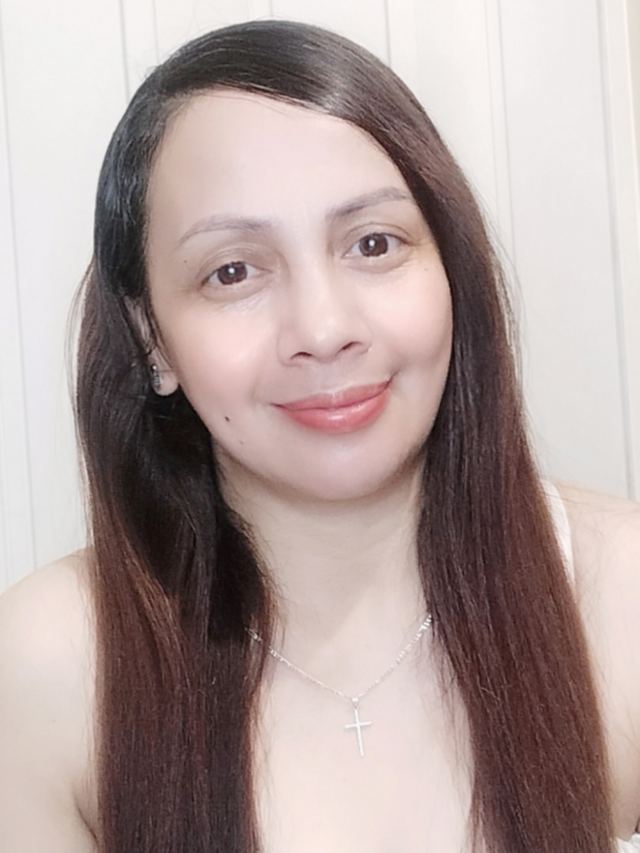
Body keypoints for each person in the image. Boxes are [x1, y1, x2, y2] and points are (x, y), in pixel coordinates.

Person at [0, 19, 639, 853]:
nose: (325, 328)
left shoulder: (621, 597)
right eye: (233, 270)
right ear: (151, 338)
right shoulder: (47, 668)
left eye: (374, 243)